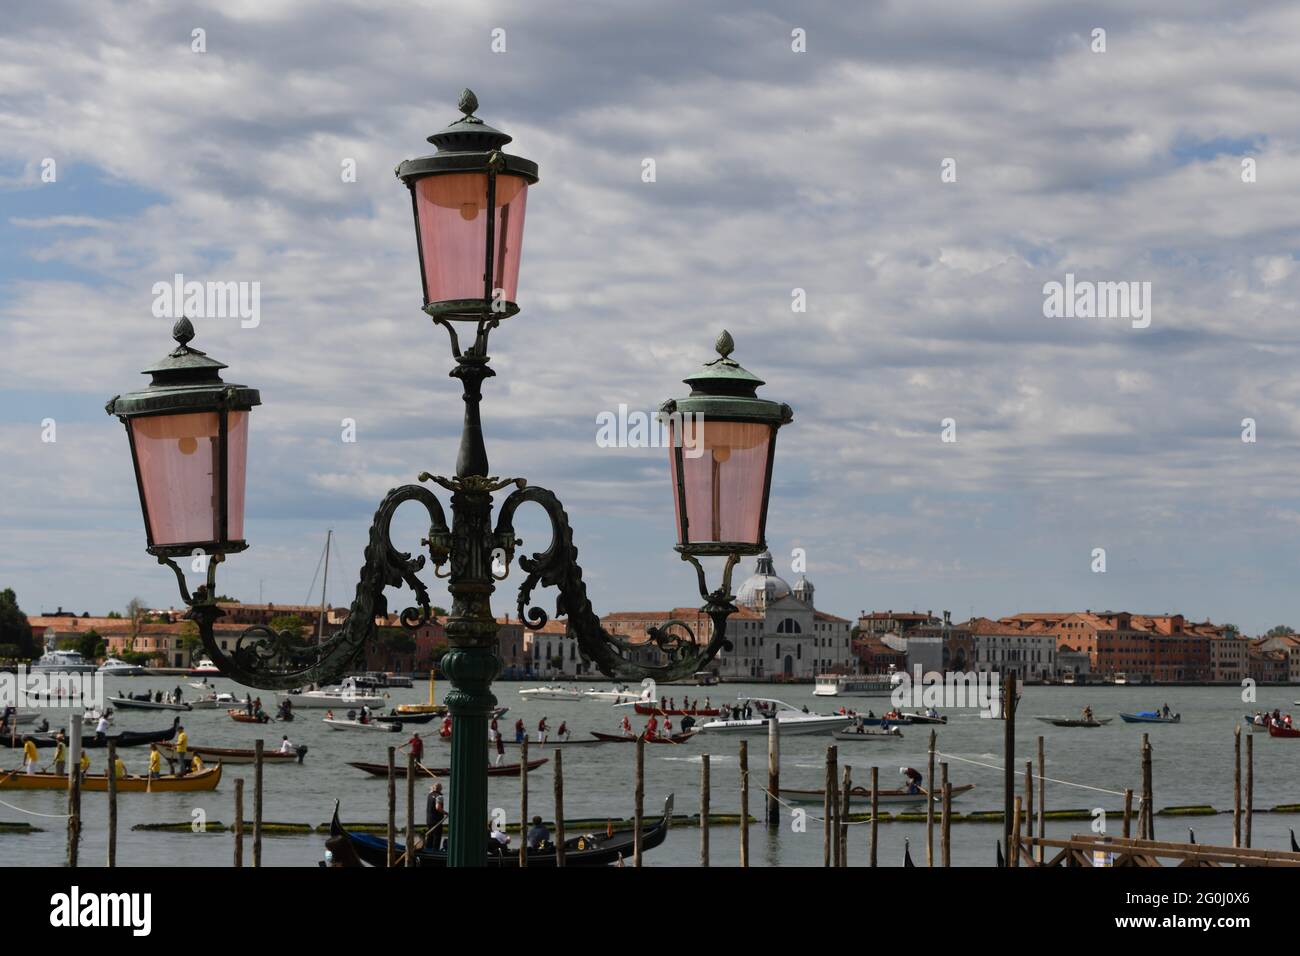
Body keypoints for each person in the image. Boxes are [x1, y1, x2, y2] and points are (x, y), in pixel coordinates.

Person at [426, 782, 446, 848]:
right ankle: (435, 850)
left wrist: (433, 787)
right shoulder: (439, 797)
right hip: (437, 820)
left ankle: (428, 850)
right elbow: (438, 808)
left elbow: (431, 789)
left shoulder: (429, 795)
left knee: (430, 836)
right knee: (436, 837)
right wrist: (446, 813)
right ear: (441, 789)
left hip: (429, 820)